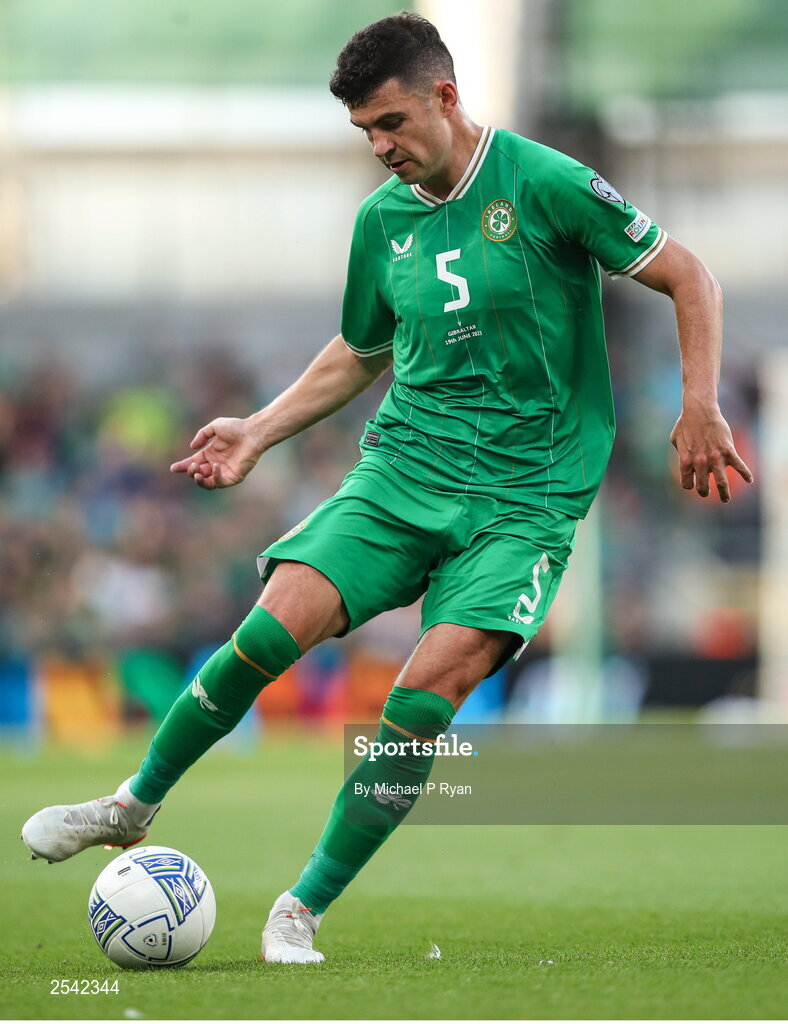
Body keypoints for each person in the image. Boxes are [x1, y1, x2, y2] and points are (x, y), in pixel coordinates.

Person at [21, 13, 753, 963]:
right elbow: (361, 351)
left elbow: (691, 276)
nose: (380, 148)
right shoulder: (381, 221)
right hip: (404, 470)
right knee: (268, 627)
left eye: (391, 123)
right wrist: (257, 429)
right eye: (365, 132)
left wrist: (700, 404)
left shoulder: (546, 183)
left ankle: (302, 906)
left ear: (445, 98)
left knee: (425, 694)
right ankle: (132, 804)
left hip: (526, 499)